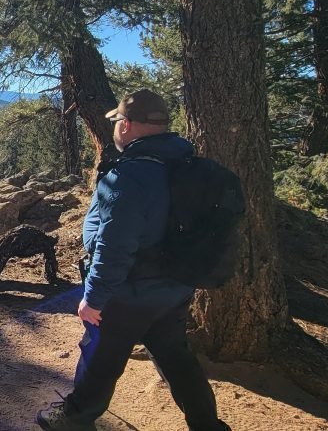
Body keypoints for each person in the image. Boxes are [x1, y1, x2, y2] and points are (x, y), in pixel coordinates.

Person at [36, 89, 229, 431]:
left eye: (117, 123)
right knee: (176, 358)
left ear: (125, 125)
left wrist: (93, 298)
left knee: (101, 358)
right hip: (175, 287)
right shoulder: (186, 167)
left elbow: (114, 245)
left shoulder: (130, 176)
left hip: (128, 293)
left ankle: (74, 419)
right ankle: (207, 426)